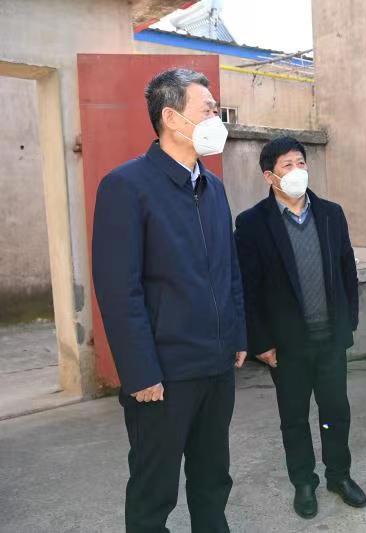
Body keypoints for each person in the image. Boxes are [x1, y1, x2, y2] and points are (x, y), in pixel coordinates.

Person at [92, 68, 246, 532]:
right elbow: (119, 288)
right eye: (208, 110)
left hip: (216, 365)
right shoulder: (127, 186)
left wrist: (237, 334)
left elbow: (230, 268)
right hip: (163, 374)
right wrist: (140, 371)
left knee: (212, 479)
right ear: (172, 118)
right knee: (154, 490)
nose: (217, 119)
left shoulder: (213, 187)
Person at [234, 136, 366, 518]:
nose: (297, 171)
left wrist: (349, 321)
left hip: (330, 339)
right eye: (287, 165)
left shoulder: (330, 214)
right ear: (269, 176)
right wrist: (261, 342)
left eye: (301, 163)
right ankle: (304, 483)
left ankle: (339, 475)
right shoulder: (252, 224)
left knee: (336, 411)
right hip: (286, 346)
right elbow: (248, 288)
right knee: (293, 419)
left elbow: (346, 269)